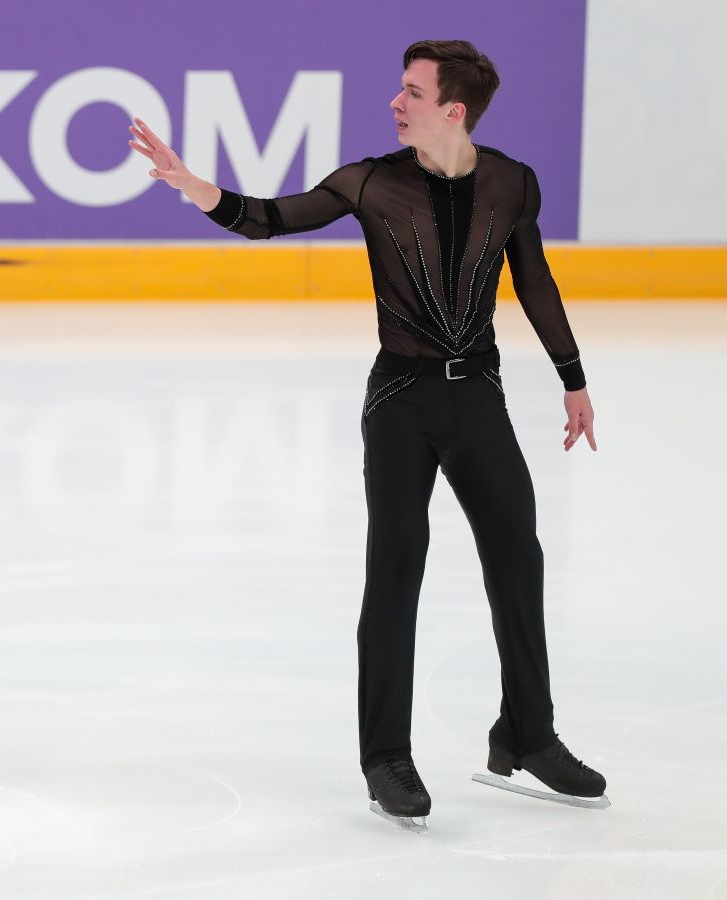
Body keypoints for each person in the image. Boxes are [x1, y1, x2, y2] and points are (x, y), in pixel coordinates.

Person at [129, 40, 608, 832]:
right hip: (400, 400)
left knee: (518, 558)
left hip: (477, 394)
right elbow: (270, 219)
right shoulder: (370, 181)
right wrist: (195, 187)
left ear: (453, 110)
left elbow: (534, 278)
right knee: (396, 566)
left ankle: (528, 734)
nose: (396, 102)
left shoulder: (512, 182)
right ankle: (386, 755)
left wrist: (573, 376)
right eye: (400, 89)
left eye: (412, 92)